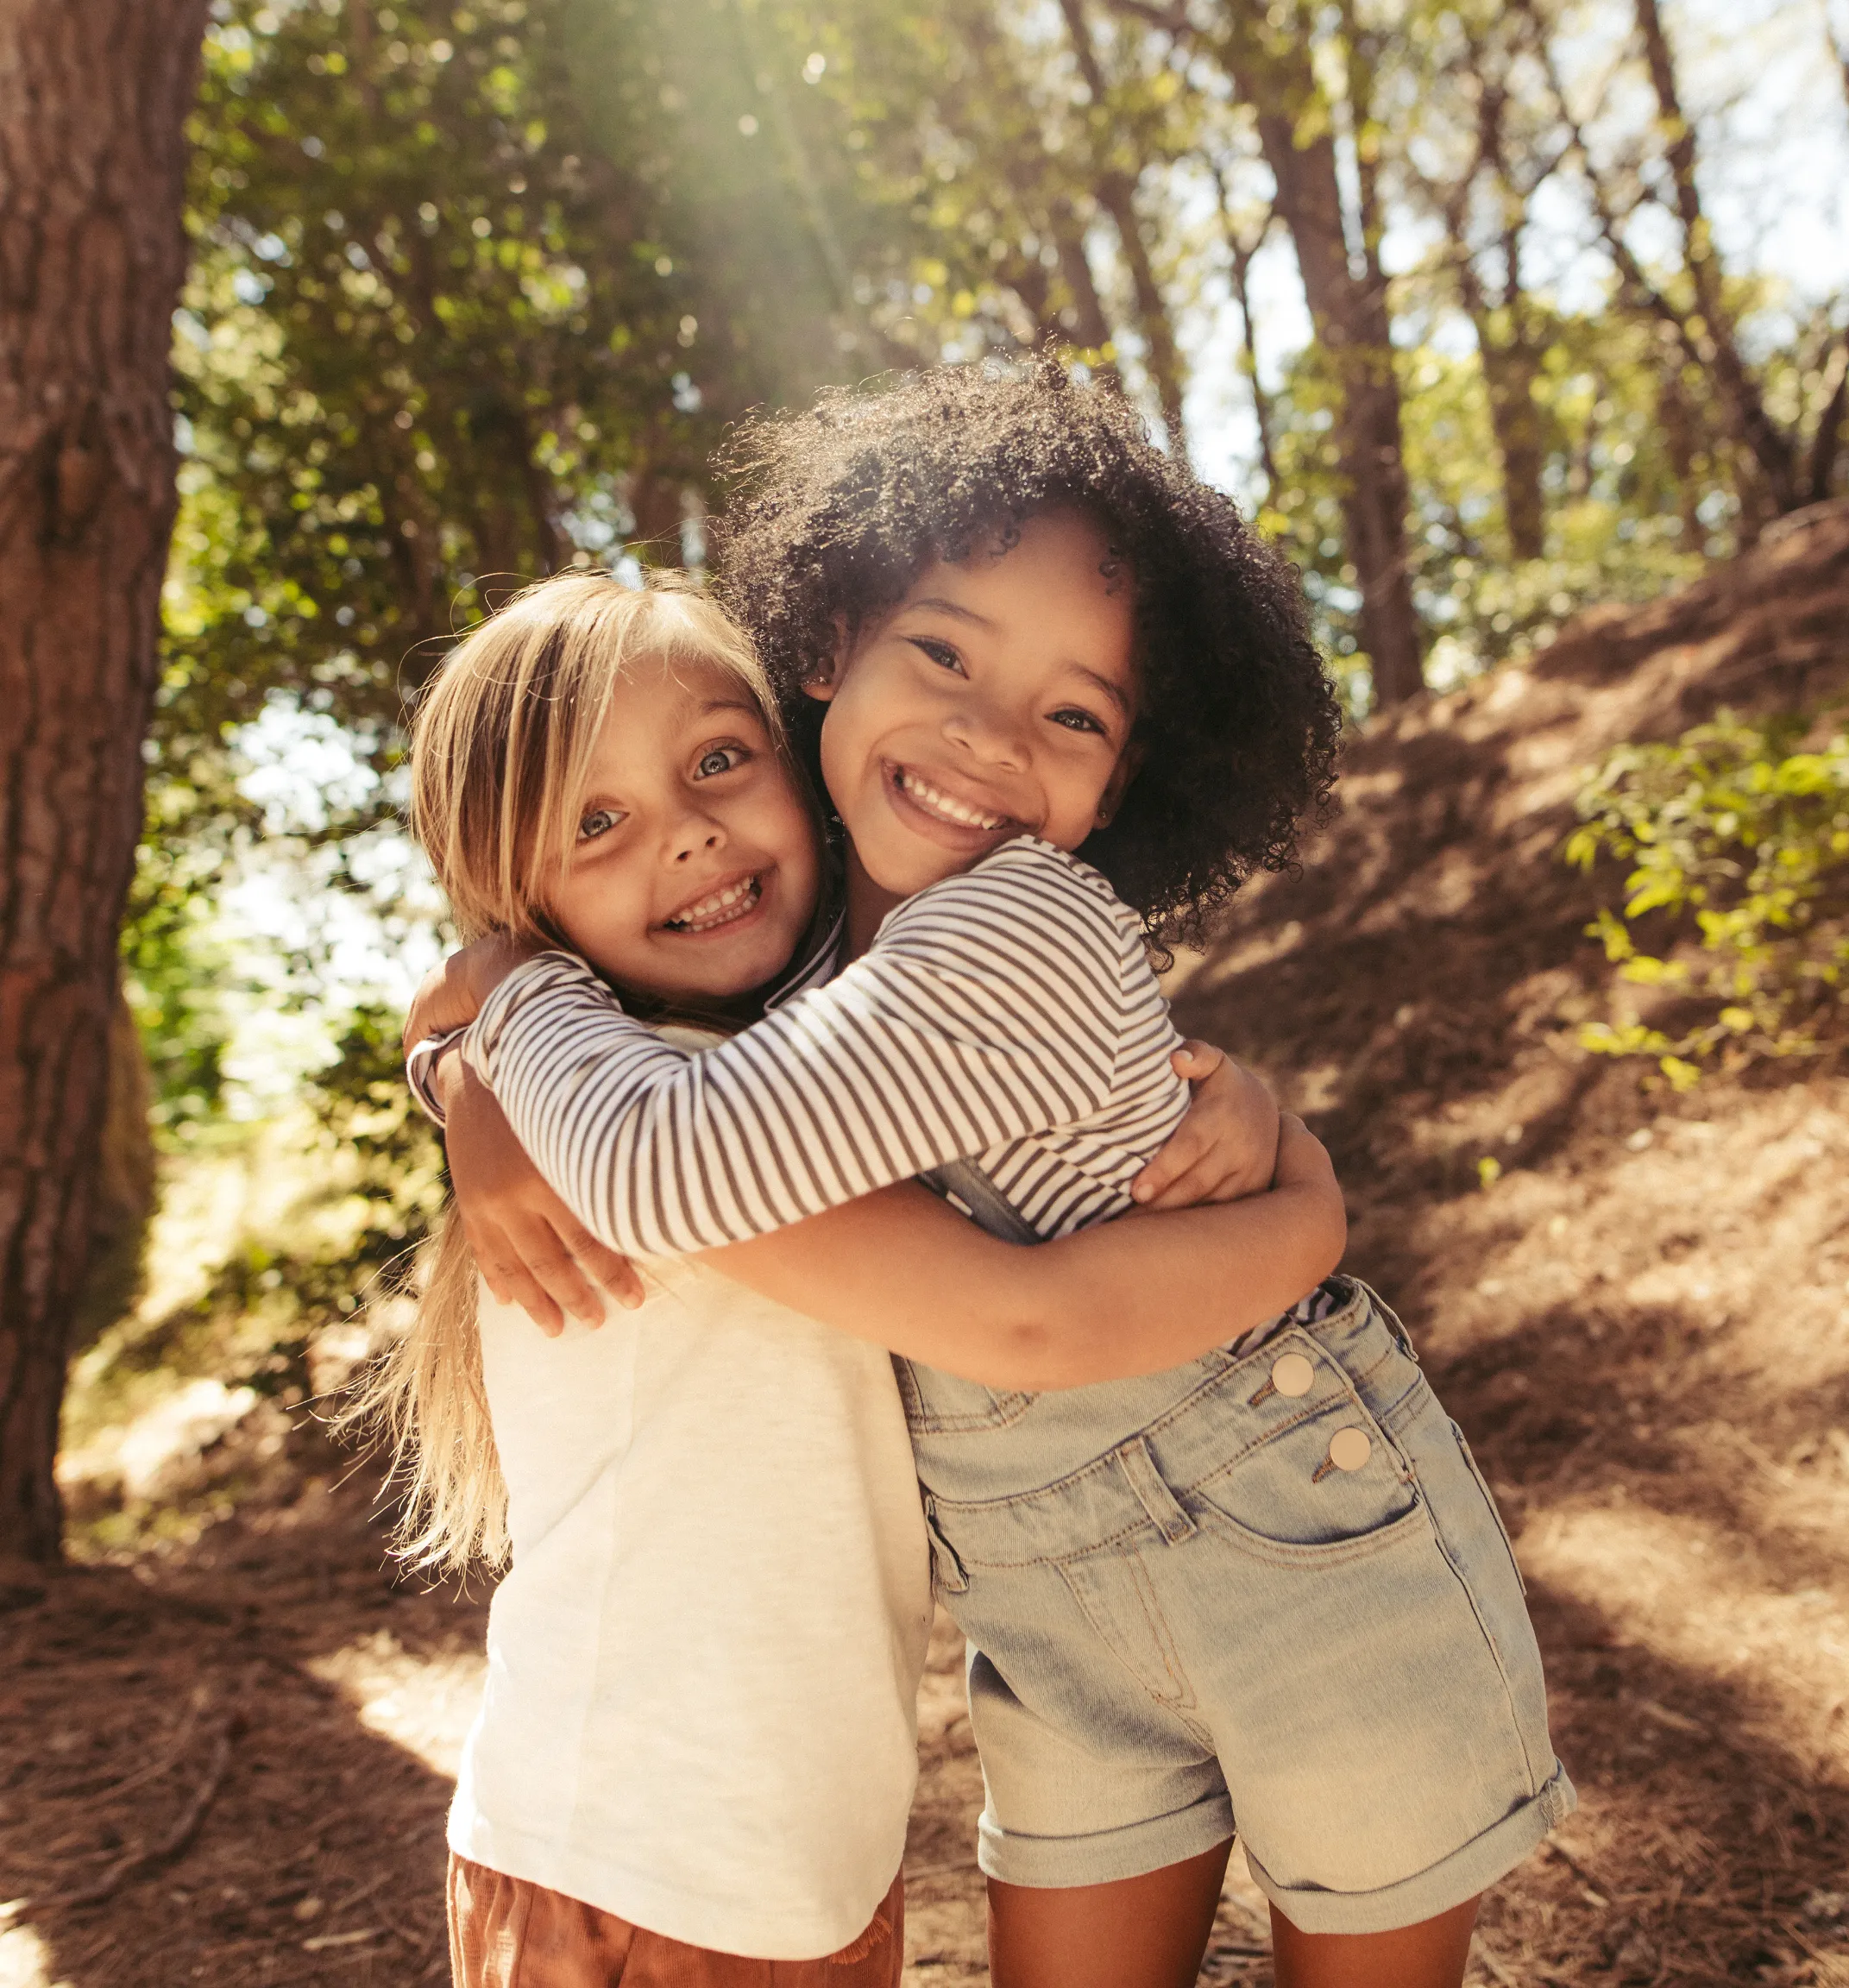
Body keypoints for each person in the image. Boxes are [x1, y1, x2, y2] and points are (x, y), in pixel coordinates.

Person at [425, 362, 1574, 1988]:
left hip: (1294, 1539)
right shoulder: (807, 954)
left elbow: (687, 1175)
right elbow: (678, 1119)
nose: (984, 734)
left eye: (1075, 714)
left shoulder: (1010, 919)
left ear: (1127, 783)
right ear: (828, 647)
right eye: (947, 653)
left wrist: (500, 1001)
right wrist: (466, 1062)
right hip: (1041, 1606)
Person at [365, 567, 1347, 1988]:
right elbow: (1031, 1315)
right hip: (655, 1872)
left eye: (718, 759)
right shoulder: (670, 1140)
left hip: (784, 1864)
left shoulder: (782, 1088)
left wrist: (1232, 1101)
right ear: (522, 901)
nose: (691, 835)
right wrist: (1309, 1210)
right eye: (597, 821)